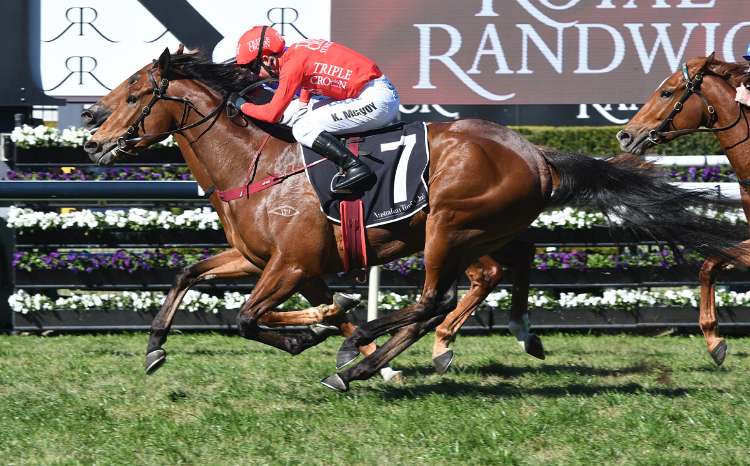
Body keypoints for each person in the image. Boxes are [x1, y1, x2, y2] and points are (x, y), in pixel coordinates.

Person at [234, 26, 400, 193]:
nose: (255, 75)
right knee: (296, 110)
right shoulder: (296, 50)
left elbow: (272, 115)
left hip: (377, 100)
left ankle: (354, 167)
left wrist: (240, 104)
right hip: (373, 92)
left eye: (254, 68)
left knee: (302, 129)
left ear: (267, 60)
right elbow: (310, 78)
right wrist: (303, 104)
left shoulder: (291, 66)